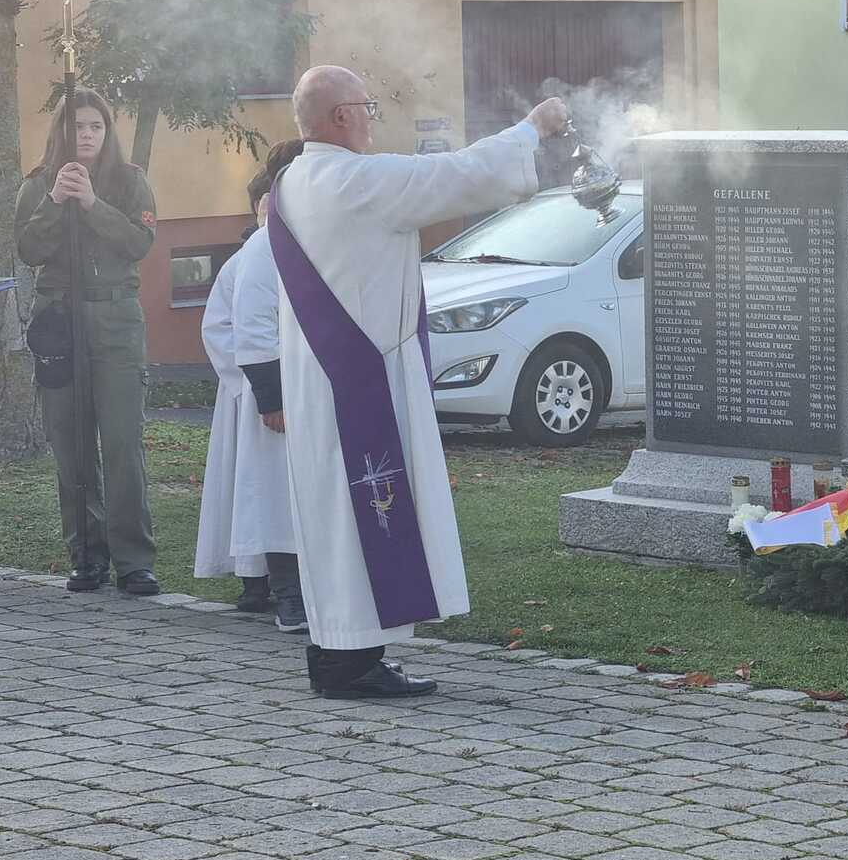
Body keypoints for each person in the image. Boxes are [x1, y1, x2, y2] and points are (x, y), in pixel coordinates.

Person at [272, 65, 567, 699]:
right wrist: (531, 128)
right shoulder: (357, 181)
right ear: (341, 116)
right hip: (362, 381)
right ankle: (351, 663)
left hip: (322, 376)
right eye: (367, 106)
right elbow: (457, 175)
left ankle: (339, 652)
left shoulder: (295, 178)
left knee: (332, 518)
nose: (372, 118)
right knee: (356, 516)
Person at [15, 90, 159, 595]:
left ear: (107, 131)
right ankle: (86, 553)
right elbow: (29, 249)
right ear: (62, 131)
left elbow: (139, 242)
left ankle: (133, 560)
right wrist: (56, 201)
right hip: (60, 321)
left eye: (96, 126)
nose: (88, 135)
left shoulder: (130, 181)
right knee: (71, 445)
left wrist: (93, 204)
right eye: (78, 126)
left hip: (116, 320)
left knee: (122, 443)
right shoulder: (39, 184)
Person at [232, 139, 307, 634]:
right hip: (283, 391)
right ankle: (289, 594)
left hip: (326, 386)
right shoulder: (266, 244)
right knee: (281, 493)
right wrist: (272, 396)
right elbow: (253, 322)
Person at [193, 187, 270, 610]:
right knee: (249, 485)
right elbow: (217, 327)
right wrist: (251, 381)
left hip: (295, 389)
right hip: (248, 394)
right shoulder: (240, 263)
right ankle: (253, 577)